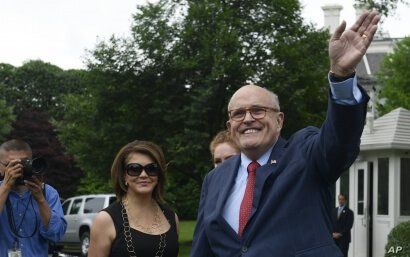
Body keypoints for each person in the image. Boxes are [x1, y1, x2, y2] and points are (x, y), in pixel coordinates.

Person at [191, 11, 380, 257]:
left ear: (279, 120)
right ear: (230, 126)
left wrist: (341, 76)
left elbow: (340, 140)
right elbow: (202, 248)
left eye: (258, 110)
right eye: (238, 114)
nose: (248, 118)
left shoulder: (304, 154)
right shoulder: (214, 179)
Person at [88, 140, 179, 257]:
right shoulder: (105, 220)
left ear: (159, 175)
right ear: (123, 175)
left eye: (151, 169)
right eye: (134, 169)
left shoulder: (172, 218)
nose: (143, 175)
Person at [0, 139, 67, 257]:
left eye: (22, 164)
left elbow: (55, 235)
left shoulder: (48, 193)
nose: (16, 170)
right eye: (10, 165)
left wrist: (40, 199)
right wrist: (5, 187)